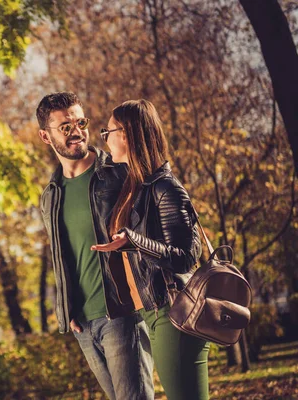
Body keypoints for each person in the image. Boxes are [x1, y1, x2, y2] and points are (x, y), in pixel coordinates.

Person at [37, 92, 154, 400]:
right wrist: (67, 308)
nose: (76, 131)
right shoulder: (51, 195)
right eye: (64, 126)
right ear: (45, 136)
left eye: (80, 122)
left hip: (121, 313)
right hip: (83, 325)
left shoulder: (118, 173)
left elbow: (153, 231)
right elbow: (62, 258)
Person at [91, 99, 210, 400]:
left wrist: (135, 241)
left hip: (174, 311)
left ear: (127, 134)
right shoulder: (137, 187)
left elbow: (186, 258)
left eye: (109, 131)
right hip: (154, 312)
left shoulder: (165, 188)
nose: (104, 138)